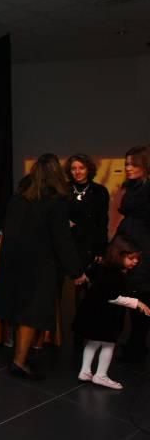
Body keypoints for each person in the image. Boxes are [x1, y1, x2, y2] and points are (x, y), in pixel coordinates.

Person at [0, 153, 87, 380]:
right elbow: (62, 241)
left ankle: (19, 356)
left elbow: (9, 231)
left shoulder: (18, 198)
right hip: (39, 267)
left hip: (13, 263)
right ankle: (19, 361)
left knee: (19, 311)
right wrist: (76, 271)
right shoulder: (56, 202)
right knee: (31, 314)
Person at [73, 236, 150, 390]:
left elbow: (90, 274)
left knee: (92, 342)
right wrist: (137, 303)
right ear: (119, 255)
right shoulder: (115, 275)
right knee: (108, 345)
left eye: (137, 259)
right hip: (105, 317)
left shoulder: (102, 267)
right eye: (131, 258)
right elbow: (114, 297)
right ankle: (101, 375)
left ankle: (85, 371)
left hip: (92, 313)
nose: (135, 262)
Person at [116, 145, 150, 362]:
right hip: (130, 247)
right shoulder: (134, 187)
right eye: (126, 164)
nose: (128, 168)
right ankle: (135, 344)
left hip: (143, 249)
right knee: (133, 296)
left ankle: (137, 346)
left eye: (132, 164)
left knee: (142, 296)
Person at [65, 153, 109, 270]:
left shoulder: (99, 191)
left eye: (81, 168)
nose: (77, 172)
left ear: (88, 169)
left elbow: (102, 222)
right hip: (68, 244)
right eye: (73, 169)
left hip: (90, 244)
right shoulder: (63, 190)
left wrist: (101, 250)